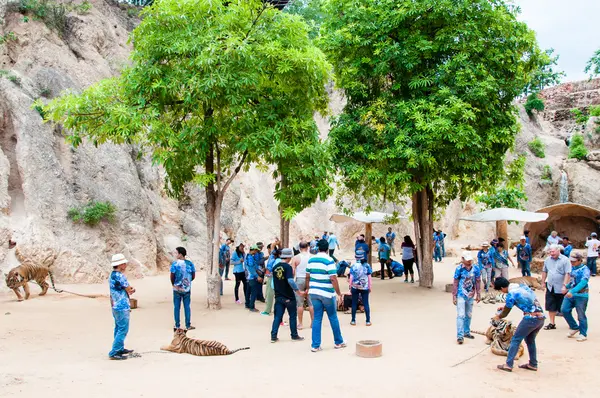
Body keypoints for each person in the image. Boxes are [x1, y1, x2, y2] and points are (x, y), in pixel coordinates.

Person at [493, 277, 545, 372]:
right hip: (541, 317)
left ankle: (508, 364)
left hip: (530, 318)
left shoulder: (511, 294)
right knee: (530, 340)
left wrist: (498, 317)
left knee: (516, 339)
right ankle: (533, 364)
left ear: (502, 288)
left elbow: (505, 313)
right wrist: (504, 308)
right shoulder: (522, 287)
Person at [306, 239, 346, 352]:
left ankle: (315, 345)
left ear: (318, 248)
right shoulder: (329, 260)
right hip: (327, 293)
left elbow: (307, 276)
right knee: (333, 317)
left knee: (317, 318)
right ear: (327, 248)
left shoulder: (311, 260)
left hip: (314, 293)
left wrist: (308, 288)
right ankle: (338, 342)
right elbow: (333, 278)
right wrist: (338, 293)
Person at [271, 248, 305, 343]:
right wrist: (298, 291)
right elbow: (290, 280)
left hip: (278, 296)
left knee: (277, 317)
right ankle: (294, 335)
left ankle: (273, 336)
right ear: (289, 257)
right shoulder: (288, 267)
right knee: (292, 316)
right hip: (289, 296)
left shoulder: (275, 267)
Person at [108, 253, 136, 360]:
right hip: (122, 305)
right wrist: (132, 290)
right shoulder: (120, 276)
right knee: (123, 329)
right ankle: (114, 351)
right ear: (121, 265)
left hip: (115, 305)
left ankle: (119, 347)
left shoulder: (112, 275)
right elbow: (129, 289)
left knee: (118, 327)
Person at [452, 251, 481, 345]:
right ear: (463, 259)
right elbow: (455, 282)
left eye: (470, 260)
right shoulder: (459, 269)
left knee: (468, 314)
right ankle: (460, 336)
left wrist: (478, 293)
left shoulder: (476, 268)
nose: (469, 262)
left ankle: (466, 332)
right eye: (467, 260)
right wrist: (454, 295)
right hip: (461, 294)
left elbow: (477, 281)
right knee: (461, 315)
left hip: (471, 295)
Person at [541, 244, 571, 330]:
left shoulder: (565, 260)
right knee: (551, 305)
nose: (551, 253)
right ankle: (552, 323)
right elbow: (544, 271)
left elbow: (567, 273)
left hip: (561, 287)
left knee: (564, 307)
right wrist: (543, 282)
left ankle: (570, 323)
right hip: (551, 286)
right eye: (550, 251)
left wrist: (564, 285)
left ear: (558, 250)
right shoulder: (547, 260)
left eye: (553, 251)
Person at [561, 252, 590, 342]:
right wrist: (566, 286)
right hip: (571, 293)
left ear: (579, 260)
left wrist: (572, 291)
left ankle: (583, 333)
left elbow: (583, 282)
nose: (572, 263)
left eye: (574, 261)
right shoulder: (572, 268)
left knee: (581, 315)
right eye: (571, 261)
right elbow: (573, 281)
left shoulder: (585, 270)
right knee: (564, 310)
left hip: (581, 295)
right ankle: (574, 327)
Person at [170, 247, 196, 331]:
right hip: (187, 288)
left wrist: (174, 284)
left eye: (176, 253)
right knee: (187, 307)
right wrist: (187, 282)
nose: (175, 254)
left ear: (180, 254)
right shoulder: (190, 264)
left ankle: (177, 325)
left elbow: (172, 276)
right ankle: (188, 325)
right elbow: (193, 276)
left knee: (176, 307)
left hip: (177, 288)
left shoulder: (175, 264)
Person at [291, 241, 314, 330]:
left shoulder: (296, 258)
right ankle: (312, 322)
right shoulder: (312, 257)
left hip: (299, 279)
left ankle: (300, 324)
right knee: (311, 302)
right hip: (310, 279)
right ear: (308, 247)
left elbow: (293, 272)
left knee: (300, 303)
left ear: (299, 248)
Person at [349, 257, 372, 326]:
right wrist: (369, 287)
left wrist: (350, 286)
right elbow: (369, 277)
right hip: (364, 287)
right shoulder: (367, 266)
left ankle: (353, 320)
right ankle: (368, 321)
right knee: (366, 304)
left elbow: (351, 277)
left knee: (354, 303)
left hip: (355, 287)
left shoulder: (354, 266)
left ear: (356, 258)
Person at [261, 248, 281, 316]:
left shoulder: (275, 260)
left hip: (272, 278)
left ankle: (267, 310)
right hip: (274, 278)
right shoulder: (278, 260)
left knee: (269, 295)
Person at [245, 245, 262, 312]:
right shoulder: (250, 258)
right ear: (253, 250)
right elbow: (251, 268)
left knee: (248, 291)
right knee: (254, 292)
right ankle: (252, 307)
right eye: (256, 250)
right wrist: (257, 276)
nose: (256, 252)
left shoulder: (247, 256)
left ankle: (247, 304)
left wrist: (258, 270)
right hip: (252, 277)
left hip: (248, 277)